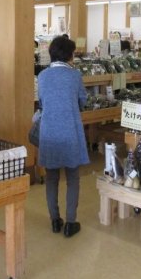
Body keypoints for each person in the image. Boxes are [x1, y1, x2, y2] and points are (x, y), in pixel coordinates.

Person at [37, 36, 87, 238]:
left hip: (49, 131)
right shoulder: (74, 76)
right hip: (70, 130)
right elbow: (82, 100)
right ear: (69, 54)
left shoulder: (42, 76)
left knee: (52, 177)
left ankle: (55, 221)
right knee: (73, 177)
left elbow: (41, 100)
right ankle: (70, 223)